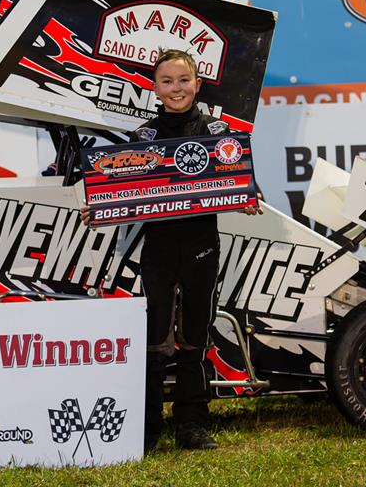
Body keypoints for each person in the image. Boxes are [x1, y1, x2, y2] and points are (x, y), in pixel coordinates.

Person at [82, 49, 261, 452]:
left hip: (202, 247)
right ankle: (145, 431)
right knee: (155, 343)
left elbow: (239, 183)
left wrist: (248, 196)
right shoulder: (142, 137)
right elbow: (118, 189)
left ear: (198, 84)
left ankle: (191, 427)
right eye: (167, 81)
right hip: (159, 250)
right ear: (155, 87)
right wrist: (98, 206)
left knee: (194, 340)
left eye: (184, 80)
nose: (176, 88)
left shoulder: (217, 132)